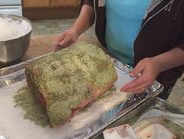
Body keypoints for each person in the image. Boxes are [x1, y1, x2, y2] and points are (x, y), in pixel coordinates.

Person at [54, 0, 184, 99]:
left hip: (155, 75)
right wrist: (76, 29)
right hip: (108, 62)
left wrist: (158, 63)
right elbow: (92, 3)